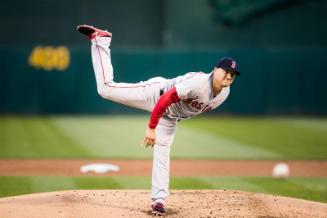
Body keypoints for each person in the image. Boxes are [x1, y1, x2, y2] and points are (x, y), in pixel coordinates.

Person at [77, 24, 240, 216]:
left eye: (233, 74)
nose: (229, 75)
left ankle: (159, 201)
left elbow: (187, 109)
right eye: (226, 71)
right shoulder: (198, 83)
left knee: (162, 153)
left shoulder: (224, 93)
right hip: (155, 94)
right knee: (105, 90)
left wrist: (170, 121)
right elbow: (165, 99)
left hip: (170, 116)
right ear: (215, 70)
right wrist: (151, 127)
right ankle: (101, 40)